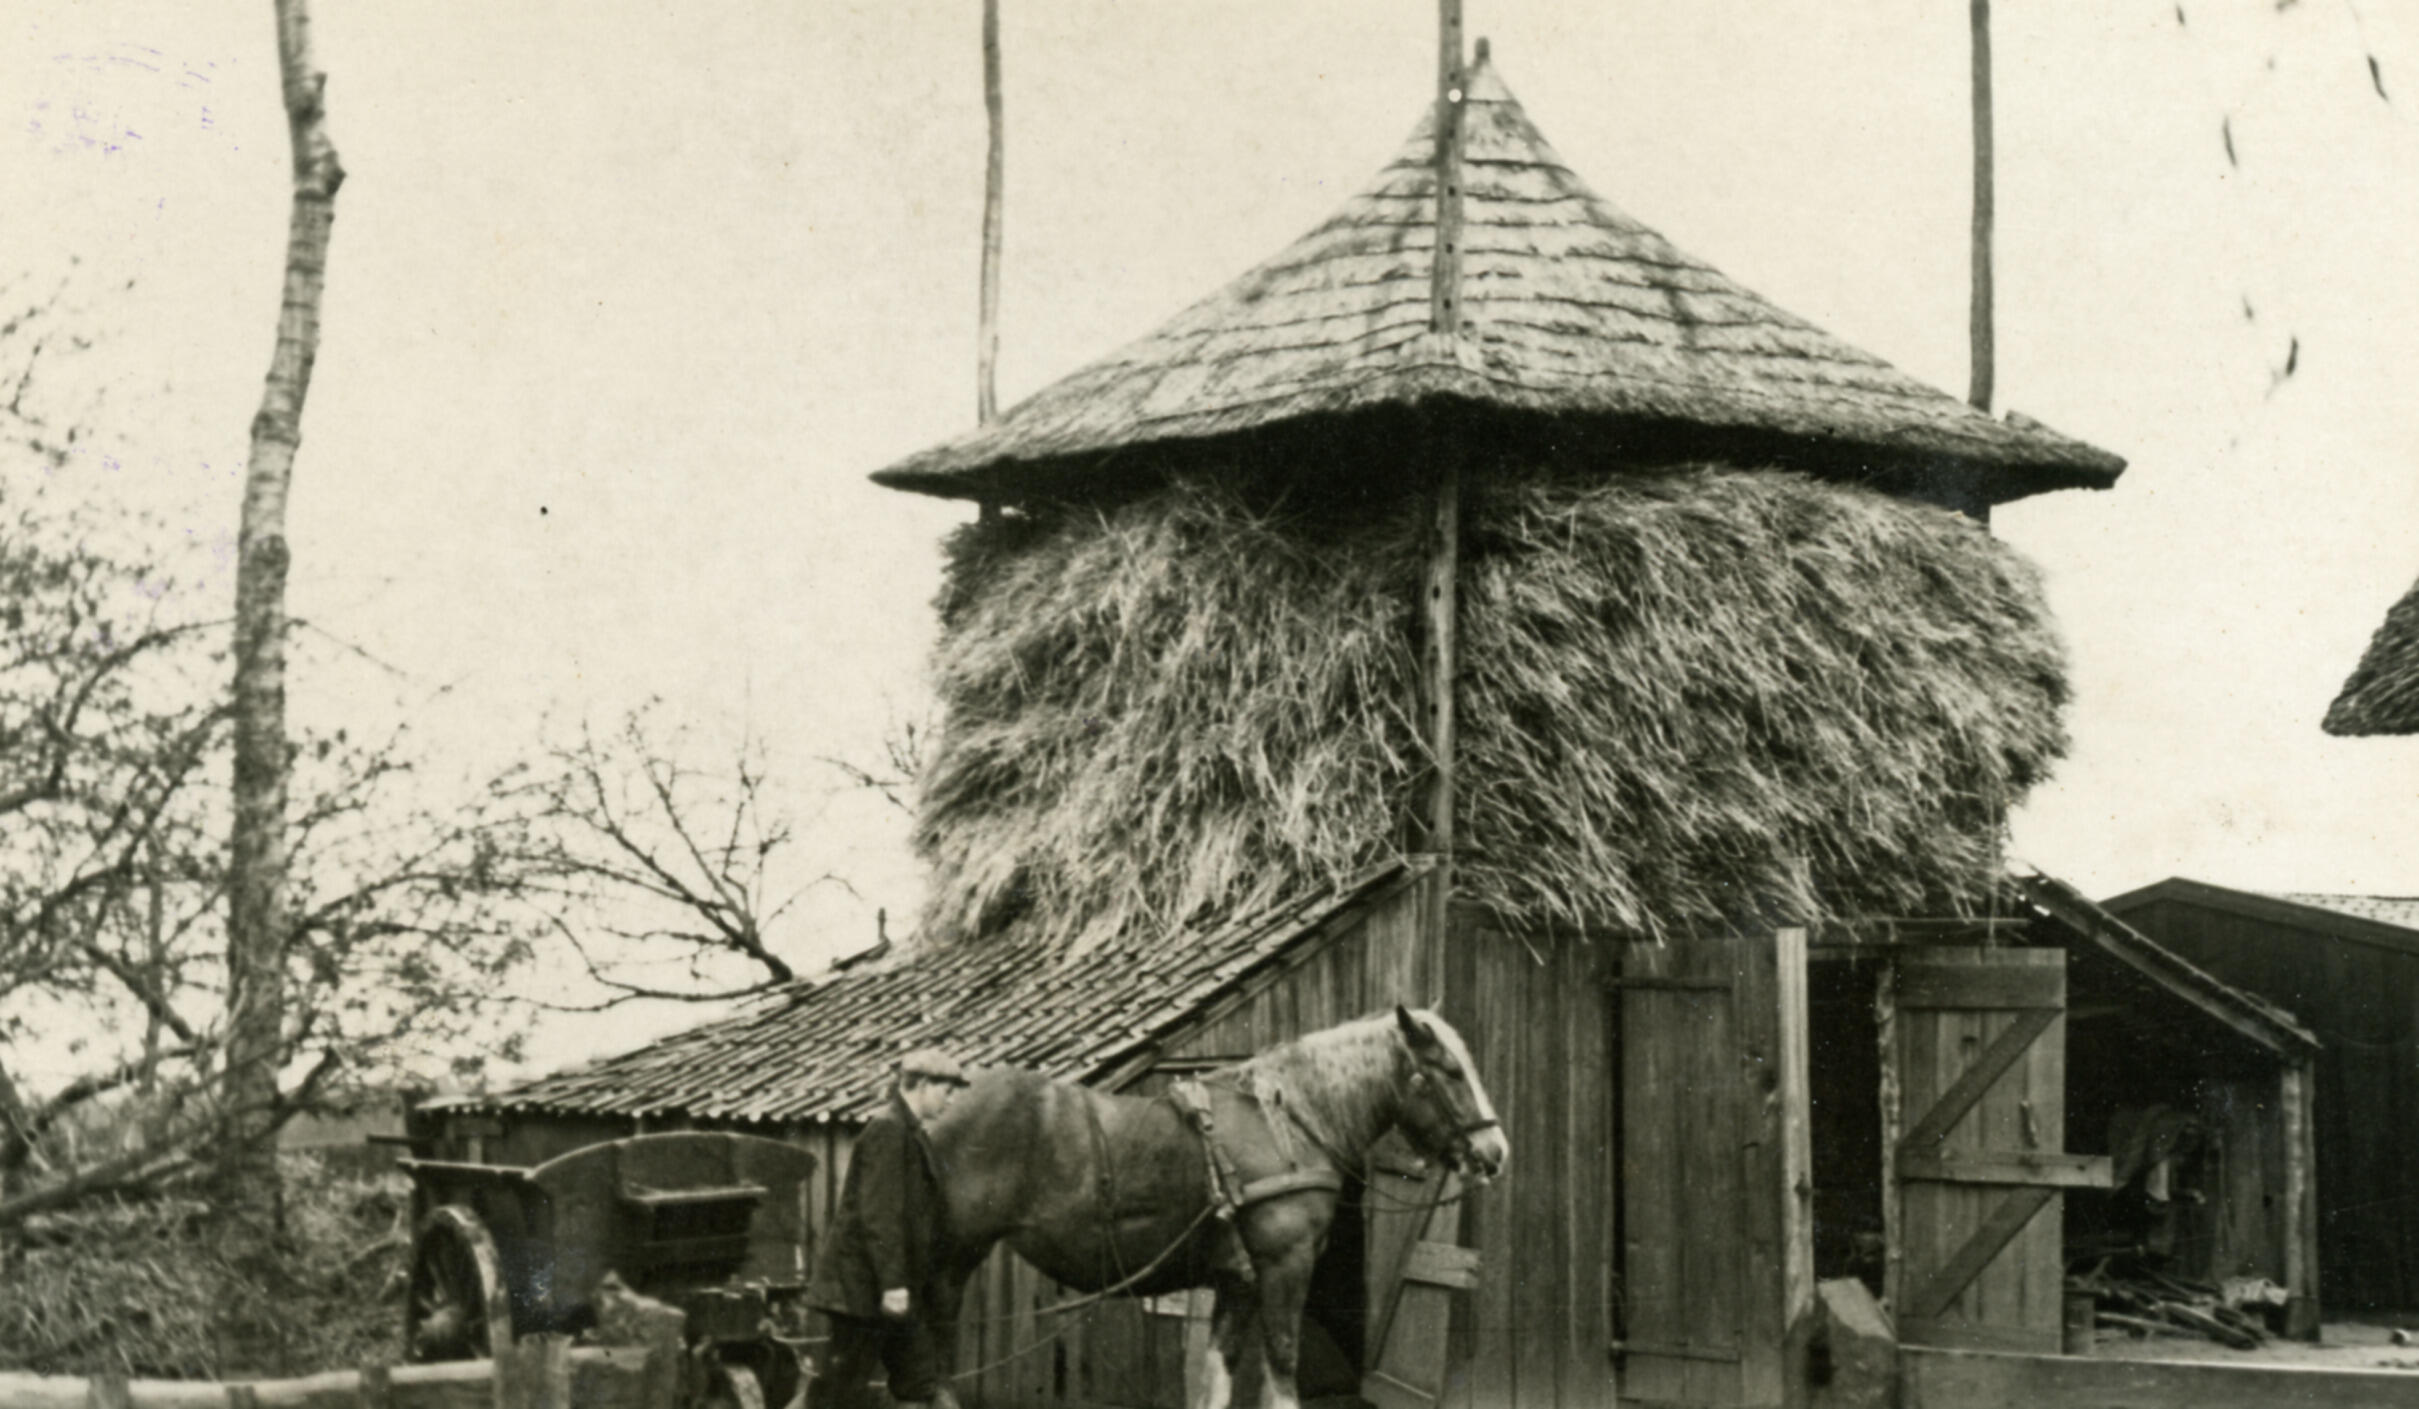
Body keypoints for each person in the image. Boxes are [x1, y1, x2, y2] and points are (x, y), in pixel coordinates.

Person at [807, 1048, 970, 1409]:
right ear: (922, 1084)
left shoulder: (912, 1133)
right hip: (863, 1292)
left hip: (895, 1292)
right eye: (947, 1090)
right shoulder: (888, 1130)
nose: (951, 1100)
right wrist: (893, 1284)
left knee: (920, 1381)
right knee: (840, 1392)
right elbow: (880, 1215)